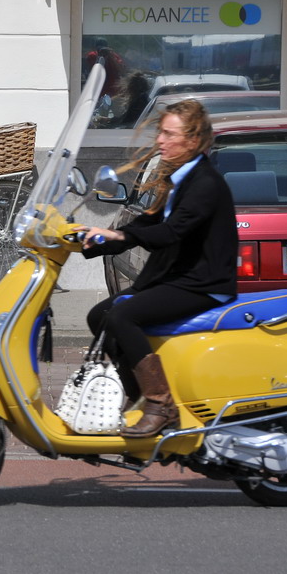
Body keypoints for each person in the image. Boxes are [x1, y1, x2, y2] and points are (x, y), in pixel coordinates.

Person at [75, 99, 238, 438]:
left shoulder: (205, 184)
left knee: (123, 316)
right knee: (99, 316)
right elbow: (145, 223)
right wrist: (91, 240)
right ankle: (138, 394)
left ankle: (161, 405)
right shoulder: (179, 179)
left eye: (168, 134)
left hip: (200, 283)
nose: (160, 140)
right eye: (160, 132)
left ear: (192, 141)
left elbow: (169, 233)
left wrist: (118, 233)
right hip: (175, 278)